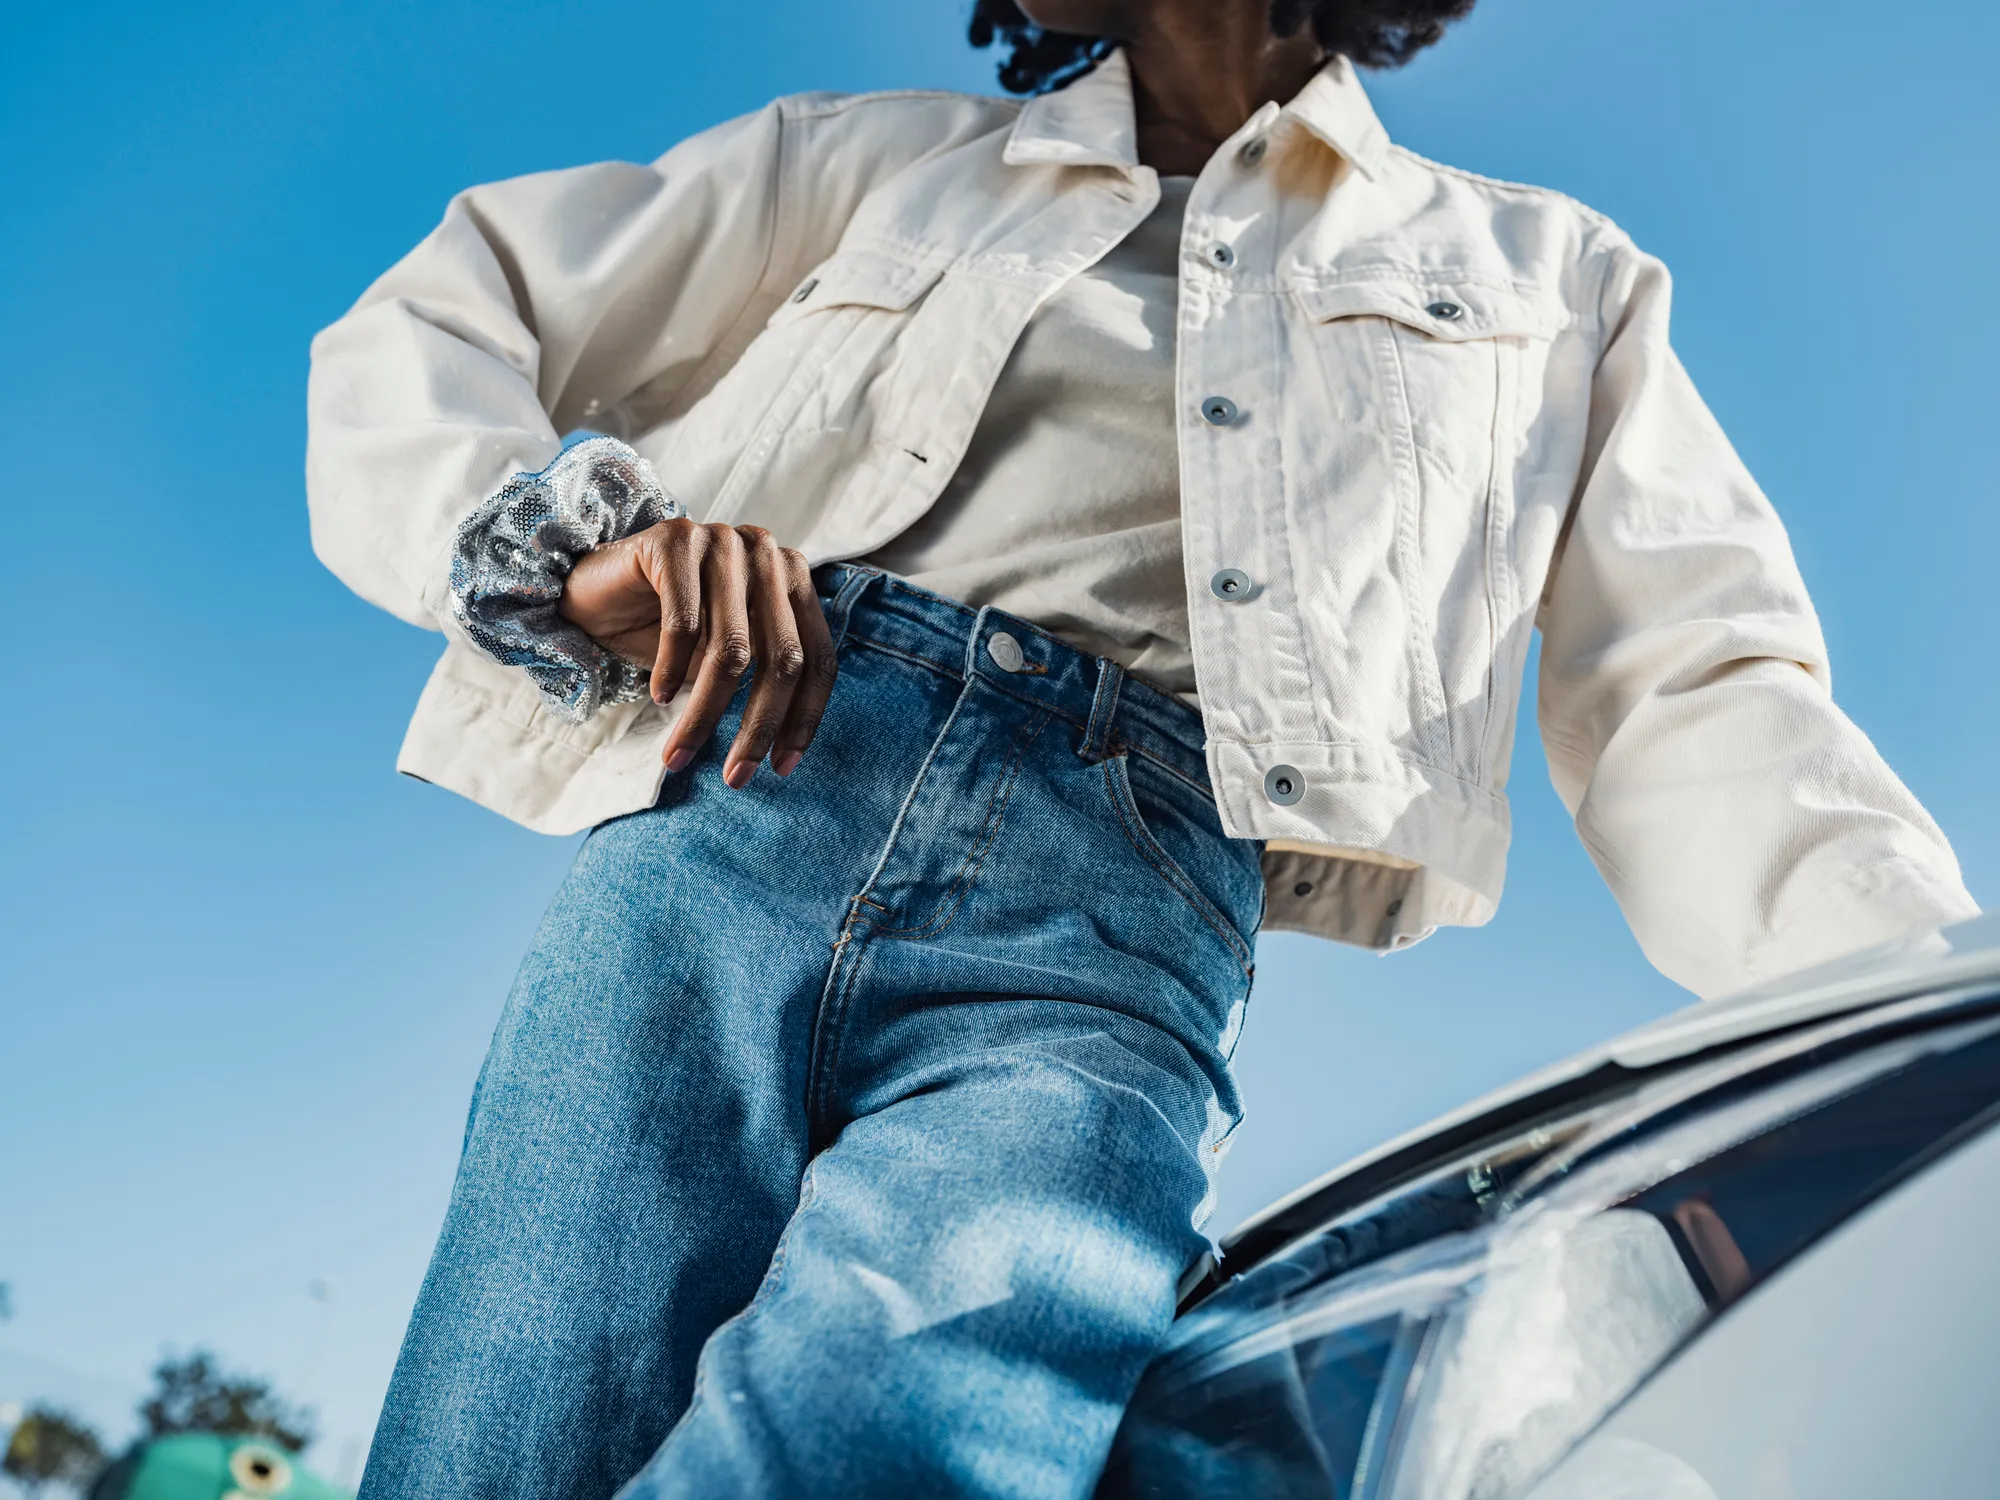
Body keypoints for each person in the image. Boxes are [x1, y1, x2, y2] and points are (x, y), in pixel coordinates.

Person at [305, 0, 1978, 1495]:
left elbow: (1700, 685)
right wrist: (557, 542)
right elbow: (447, 314)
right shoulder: (876, 165)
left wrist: (1929, 1017)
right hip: (737, 817)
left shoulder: (1554, 282)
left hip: (1112, 929)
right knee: (499, 1449)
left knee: (903, 1438)